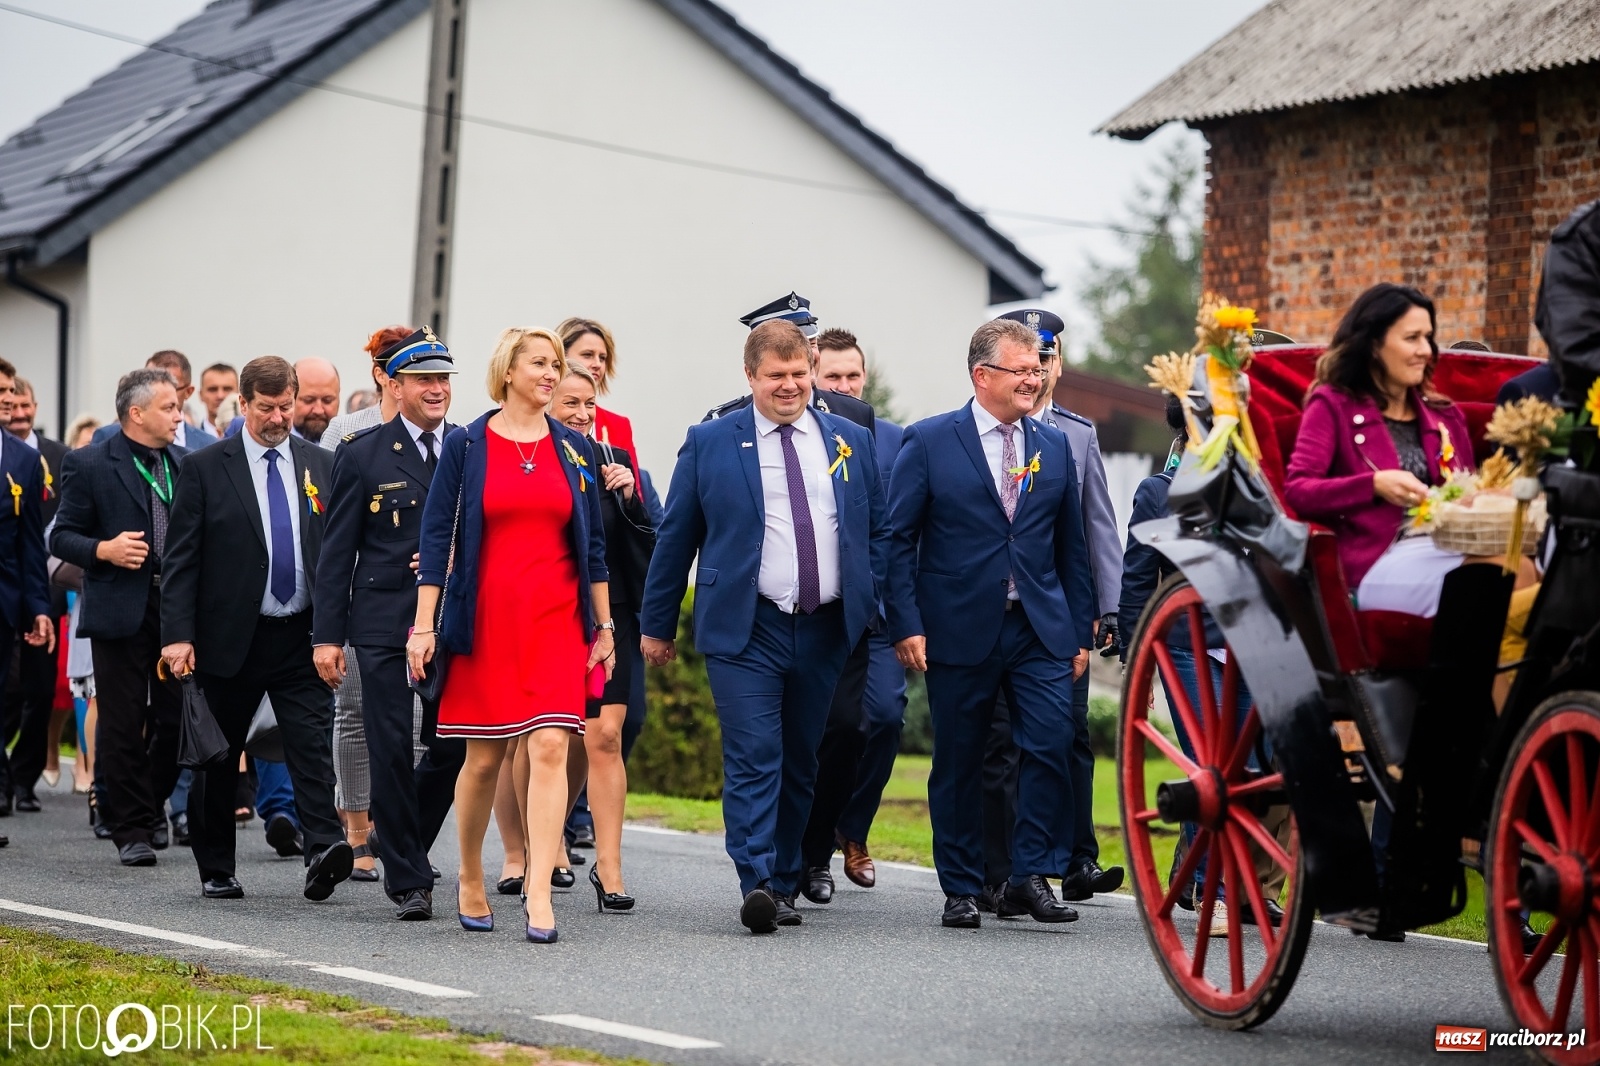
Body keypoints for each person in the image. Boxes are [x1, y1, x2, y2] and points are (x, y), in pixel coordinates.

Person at [639, 319, 888, 934]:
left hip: (827, 625)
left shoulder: (848, 438)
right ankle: (756, 879)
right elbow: (677, 540)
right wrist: (657, 624)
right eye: (775, 376)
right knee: (755, 754)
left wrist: (879, 607)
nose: (789, 386)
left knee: (802, 758)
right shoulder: (711, 442)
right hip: (747, 626)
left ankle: (782, 878)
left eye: (799, 374)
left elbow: (875, 529)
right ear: (749, 376)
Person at [887, 318, 1094, 930]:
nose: (1035, 380)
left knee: (1052, 742)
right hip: (957, 625)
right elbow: (897, 541)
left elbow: (1069, 545)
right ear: (983, 376)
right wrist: (906, 622)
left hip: (1038, 626)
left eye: (1039, 369)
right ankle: (960, 884)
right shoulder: (928, 441)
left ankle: (1029, 874)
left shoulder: (1052, 445)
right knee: (960, 756)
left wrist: (1078, 630)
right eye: (1023, 370)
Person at [408, 327, 612, 943]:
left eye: (557, 365)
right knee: (483, 759)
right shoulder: (468, 444)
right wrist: (424, 626)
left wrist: (604, 627)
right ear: (509, 371)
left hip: (556, 622)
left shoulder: (575, 449)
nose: (552, 374)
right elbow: (435, 533)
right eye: (540, 364)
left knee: (551, 747)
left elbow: (594, 547)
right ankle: (470, 872)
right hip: (486, 622)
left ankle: (539, 891)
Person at [159, 356, 352, 901]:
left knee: (312, 746)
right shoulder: (205, 467)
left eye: (285, 406)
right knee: (219, 757)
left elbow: (333, 554)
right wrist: (177, 635)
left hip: (300, 634)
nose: (278, 418)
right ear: (243, 405)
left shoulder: (321, 463)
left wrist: (332, 631)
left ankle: (322, 851)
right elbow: (181, 560)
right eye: (266, 408)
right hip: (228, 637)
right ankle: (217, 865)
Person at [313, 328, 466, 920]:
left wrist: (454, 555)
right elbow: (335, 554)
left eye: (443, 380)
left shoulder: (471, 447)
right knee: (391, 747)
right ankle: (409, 880)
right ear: (395, 385)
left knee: (453, 746)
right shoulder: (362, 452)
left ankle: (394, 839)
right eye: (424, 379)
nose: (436, 389)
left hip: (451, 619)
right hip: (380, 621)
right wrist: (327, 636)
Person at [979, 309, 1125, 910]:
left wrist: (1107, 610)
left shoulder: (1075, 434)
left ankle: (1071, 860)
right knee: (1000, 744)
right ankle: (1003, 868)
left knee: (1065, 737)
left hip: (1059, 615)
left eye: (1048, 357)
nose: (1039, 369)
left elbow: (1096, 529)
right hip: (989, 615)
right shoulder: (973, 428)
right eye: (1030, 357)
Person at [51, 369, 187, 866]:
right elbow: (61, 537)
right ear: (136, 413)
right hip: (120, 606)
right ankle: (130, 826)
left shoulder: (185, 463)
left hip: (176, 609)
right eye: (169, 407)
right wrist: (103, 549)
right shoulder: (88, 463)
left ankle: (148, 804)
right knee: (124, 720)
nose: (179, 416)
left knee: (176, 719)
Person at [1284, 284, 1476, 609]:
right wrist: (1374, 485)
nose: (1426, 350)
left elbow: (1469, 489)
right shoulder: (1333, 404)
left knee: (1519, 568)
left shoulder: (1446, 414)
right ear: (1374, 344)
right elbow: (1298, 490)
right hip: (1376, 563)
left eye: (1428, 337)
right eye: (1412, 338)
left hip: (1449, 548)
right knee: (1482, 577)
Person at [549, 365, 651, 911]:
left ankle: (609, 867)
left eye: (589, 403)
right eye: (570, 402)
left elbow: (650, 549)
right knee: (552, 740)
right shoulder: (532, 462)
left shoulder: (615, 463)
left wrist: (631, 499)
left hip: (611, 619)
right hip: (548, 616)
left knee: (604, 735)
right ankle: (542, 845)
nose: (582, 413)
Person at [808, 328, 904, 892]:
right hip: (825, 609)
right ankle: (815, 850)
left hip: (881, 613)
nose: (845, 386)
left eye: (853, 377)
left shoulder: (893, 438)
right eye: (833, 377)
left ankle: (855, 828)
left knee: (887, 717)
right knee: (832, 729)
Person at [320, 325, 413, 881]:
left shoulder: (447, 435)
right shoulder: (345, 433)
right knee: (354, 713)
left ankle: (394, 825)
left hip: (424, 601)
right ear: (383, 375)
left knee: (419, 721)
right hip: (365, 596)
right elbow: (333, 525)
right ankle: (357, 833)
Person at [3, 376, 70, 810]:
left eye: (18, 399)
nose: (13, 407)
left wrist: (40, 605)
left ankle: (21, 779)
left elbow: (31, 541)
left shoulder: (34, 459)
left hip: (25, 593)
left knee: (39, 689)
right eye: (6, 398)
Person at [0, 357, 54, 824]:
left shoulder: (22, 459)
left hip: (6, 602)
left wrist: (38, 606)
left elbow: (30, 543)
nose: (6, 398)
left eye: (10, 389)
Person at [93, 352, 215, 451]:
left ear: (188, 391)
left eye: (172, 386)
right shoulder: (106, 437)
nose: (160, 391)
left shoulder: (209, 445)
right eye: (148, 382)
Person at [293, 358, 341, 444]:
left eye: (327, 400)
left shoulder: (353, 447)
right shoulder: (271, 446)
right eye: (308, 400)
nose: (318, 411)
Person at [197, 364, 237, 440]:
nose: (220, 396)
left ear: (239, 394)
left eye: (227, 389)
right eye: (213, 389)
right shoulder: (189, 443)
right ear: (201, 395)